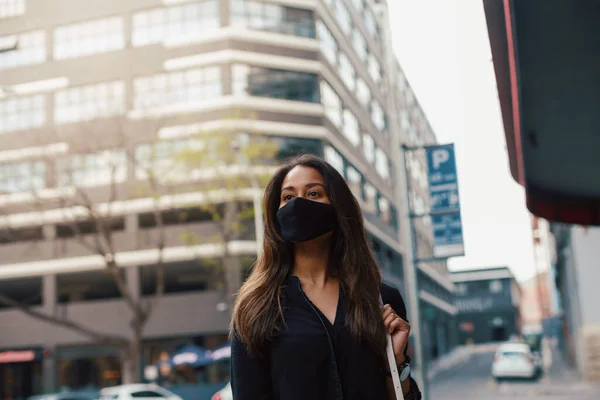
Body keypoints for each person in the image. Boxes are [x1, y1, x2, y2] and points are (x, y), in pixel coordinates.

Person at [230, 155, 422, 400]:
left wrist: (395, 362)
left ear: (338, 206)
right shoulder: (256, 307)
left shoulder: (381, 299)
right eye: (288, 197)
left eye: (313, 194)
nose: (298, 204)